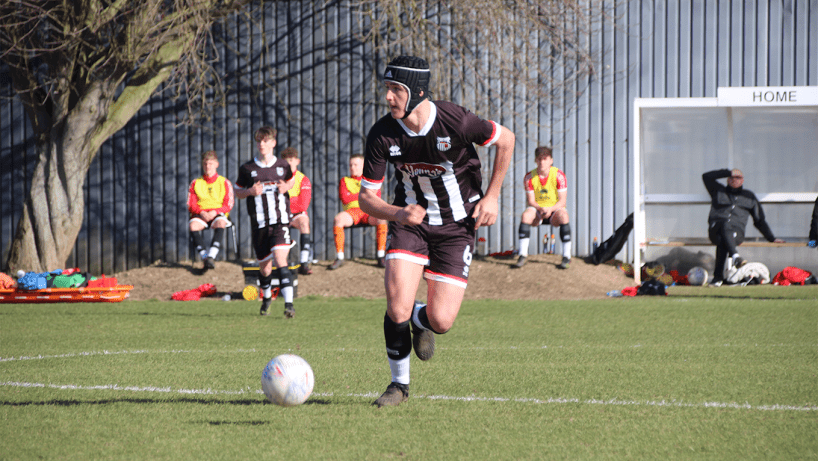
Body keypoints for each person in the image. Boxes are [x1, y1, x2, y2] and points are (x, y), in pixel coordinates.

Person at [359, 56, 515, 407]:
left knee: (441, 321)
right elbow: (366, 197)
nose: (388, 97)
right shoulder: (383, 133)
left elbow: (507, 140)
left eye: (395, 90)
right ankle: (399, 385)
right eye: (387, 89)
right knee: (395, 309)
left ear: (417, 92)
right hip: (410, 225)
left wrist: (491, 197)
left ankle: (421, 319)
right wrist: (397, 212)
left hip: (457, 228)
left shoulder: (455, 120)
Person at [234, 126, 297, 318]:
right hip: (259, 223)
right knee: (265, 267)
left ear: (273, 143)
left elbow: (292, 180)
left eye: (265, 140)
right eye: (259, 141)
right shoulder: (248, 169)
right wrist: (249, 192)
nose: (262, 144)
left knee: (280, 260)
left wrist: (287, 186)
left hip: (281, 221)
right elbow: (237, 191)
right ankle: (267, 298)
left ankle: (289, 305)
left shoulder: (282, 165)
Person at [703, 168, 784, 286]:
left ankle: (718, 277)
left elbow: (759, 220)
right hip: (715, 231)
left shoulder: (749, 196)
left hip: (737, 234)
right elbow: (706, 176)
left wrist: (771, 238)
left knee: (724, 237)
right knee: (724, 226)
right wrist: (727, 172)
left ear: (742, 180)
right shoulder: (718, 191)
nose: (734, 180)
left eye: (738, 177)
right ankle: (735, 257)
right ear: (727, 179)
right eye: (731, 177)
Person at [512, 146, 572, 269]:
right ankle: (522, 255)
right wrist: (541, 208)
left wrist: (550, 209)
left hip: (554, 209)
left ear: (551, 160)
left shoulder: (559, 175)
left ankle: (567, 256)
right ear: (535, 160)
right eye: (539, 159)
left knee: (564, 216)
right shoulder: (529, 177)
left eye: (545, 159)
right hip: (538, 210)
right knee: (526, 215)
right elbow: (531, 201)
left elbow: (562, 201)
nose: (542, 162)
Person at [328, 154, 388, 270]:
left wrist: (355, 195)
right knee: (338, 219)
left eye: (355, 164)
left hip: (368, 210)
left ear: (363, 166)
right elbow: (345, 198)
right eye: (351, 165)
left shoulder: (371, 180)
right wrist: (365, 195)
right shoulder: (345, 180)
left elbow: (377, 197)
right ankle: (340, 257)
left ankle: (381, 257)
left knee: (382, 218)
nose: (352, 167)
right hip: (352, 212)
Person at [187, 150, 235, 270]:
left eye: (210, 163)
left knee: (221, 222)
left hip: (217, 213)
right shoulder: (195, 182)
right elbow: (190, 204)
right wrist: (202, 212)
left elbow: (228, 204)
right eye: (205, 164)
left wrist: (215, 212)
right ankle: (204, 257)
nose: (208, 166)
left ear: (217, 164)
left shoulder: (224, 182)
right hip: (201, 213)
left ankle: (211, 257)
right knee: (193, 226)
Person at [281, 147, 313, 275]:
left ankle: (304, 263)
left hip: (295, 215)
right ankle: (280, 262)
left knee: (304, 222)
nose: (288, 163)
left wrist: (288, 202)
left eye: (290, 160)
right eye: (285, 161)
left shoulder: (303, 179)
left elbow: (303, 205)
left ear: (297, 161)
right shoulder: (278, 178)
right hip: (281, 214)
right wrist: (293, 200)